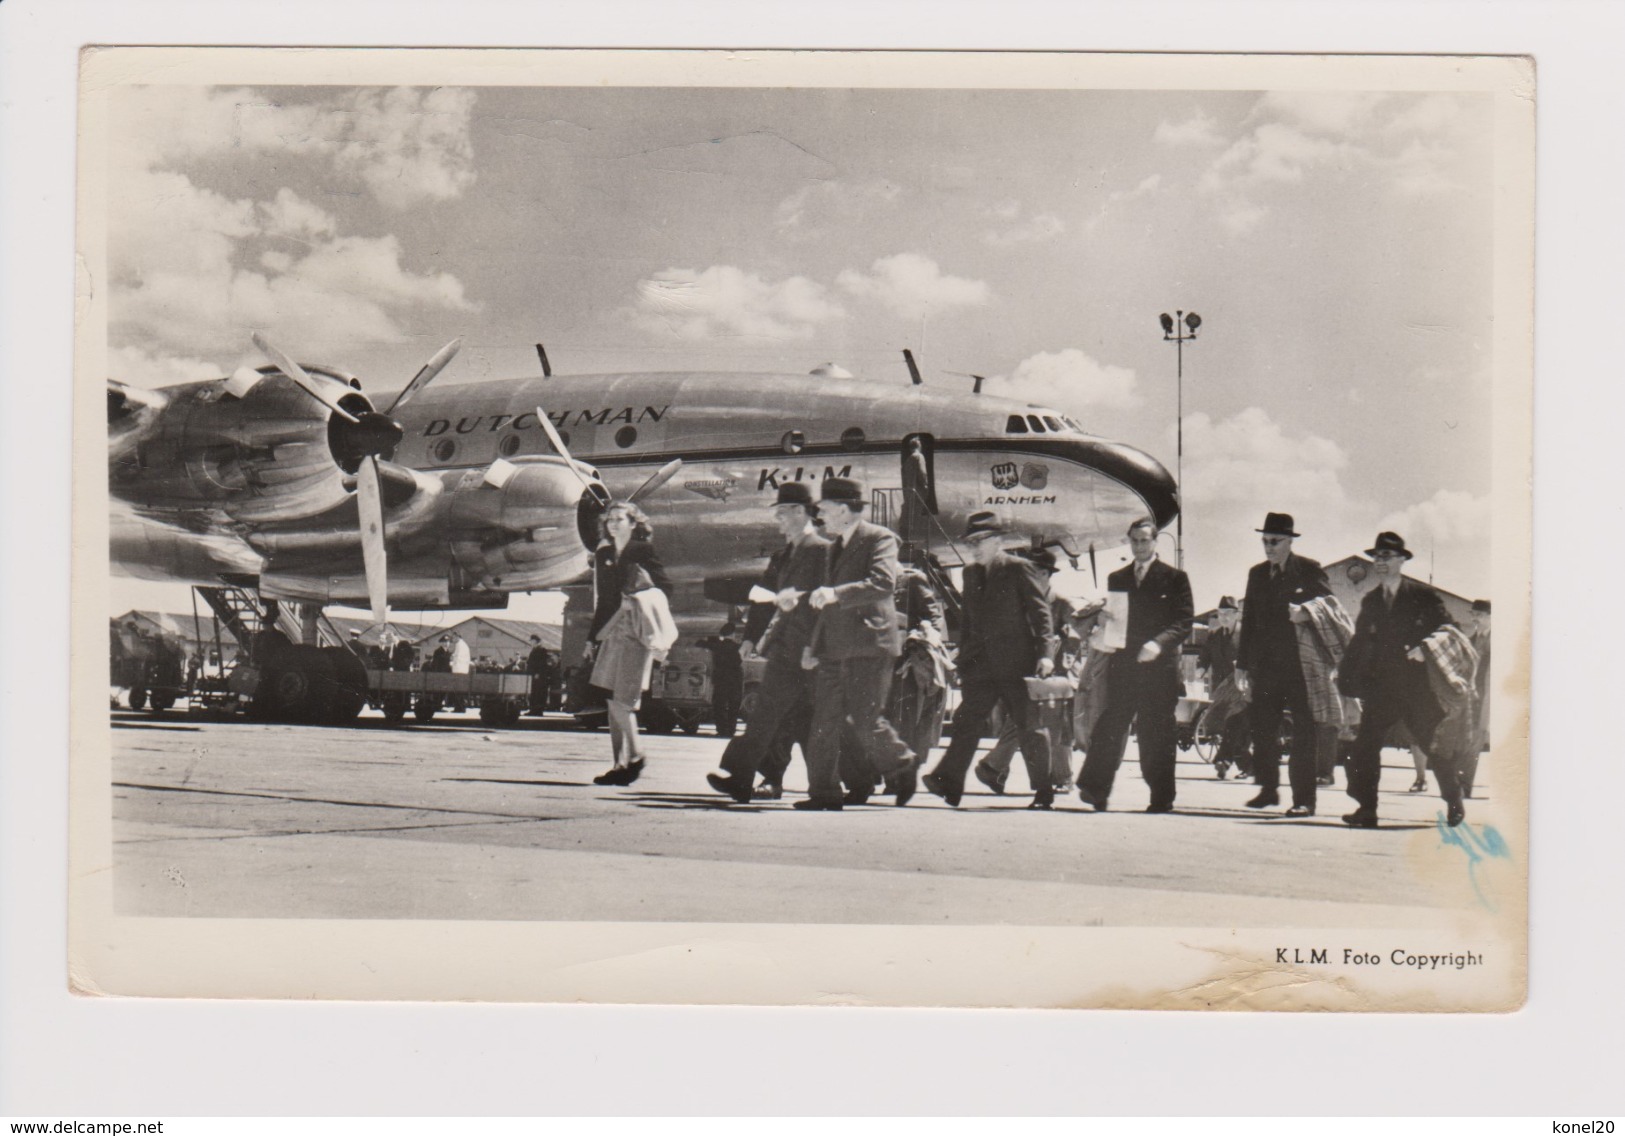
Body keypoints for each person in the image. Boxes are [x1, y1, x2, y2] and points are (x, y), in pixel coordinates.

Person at [923, 512, 1059, 808]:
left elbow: (1041, 615)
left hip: (1017, 664)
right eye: (971, 542)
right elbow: (970, 621)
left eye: (981, 541)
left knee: (1029, 728)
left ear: (998, 541)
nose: (974, 547)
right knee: (966, 721)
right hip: (980, 666)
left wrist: (1046, 656)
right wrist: (963, 659)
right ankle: (950, 782)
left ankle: (1044, 791)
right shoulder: (969, 574)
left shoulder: (1019, 569)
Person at [706, 483, 830, 803]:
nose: (777, 520)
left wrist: (812, 648)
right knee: (768, 714)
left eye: (782, 513)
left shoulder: (823, 551)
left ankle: (863, 776)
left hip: (810, 652)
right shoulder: (783, 555)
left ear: (801, 512)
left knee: (810, 723)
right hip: (786, 648)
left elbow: (825, 607)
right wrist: (749, 638)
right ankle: (741, 776)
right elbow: (763, 599)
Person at [799, 477, 918, 810]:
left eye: (822, 509)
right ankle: (823, 793)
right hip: (835, 647)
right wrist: (813, 645)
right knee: (823, 720)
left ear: (842, 509)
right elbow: (824, 603)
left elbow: (882, 583)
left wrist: (837, 593)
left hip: (869, 643)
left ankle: (901, 763)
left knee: (865, 720)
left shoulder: (879, 538)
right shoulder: (833, 546)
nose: (819, 515)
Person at [1336, 532, 1455, 828]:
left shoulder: (1421, 595)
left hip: (1417, 688)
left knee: (1432, 745)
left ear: (1402, 560)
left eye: (1386, 557)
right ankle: (1367, 809)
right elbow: (1359, 642)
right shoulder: (1372, 600)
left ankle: (1454, 799)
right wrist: (1345, 676)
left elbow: (1448, 628)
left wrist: (1425, 648)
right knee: (1365, 747)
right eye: (1376, 557)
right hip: (1383, 688)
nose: (1380, 562)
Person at [1075, 518, 1194, 813]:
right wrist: (1103, 620)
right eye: (1135, 541)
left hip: (1159, 669)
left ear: (1155, 542)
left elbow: (1184, 621)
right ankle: (1095, 789)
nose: (1139, 546)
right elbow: (1115, 616)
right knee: (1110, 725)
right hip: (1124, 665)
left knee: (1156, 732)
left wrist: (1158, 644)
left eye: (1145, 540)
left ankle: (1161, 797)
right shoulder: (1118, 578)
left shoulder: (1175, 578)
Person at [1234, 512, 1332, 816]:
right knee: (1262, 728)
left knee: (1304, 732)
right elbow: (1248, 620)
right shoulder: (1257, 574)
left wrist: (1305, 612)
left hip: (1300, 668)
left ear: (1290, 541)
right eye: (1265, 541)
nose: (1268, 547)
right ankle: (1268, 790)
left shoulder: (1309, 570)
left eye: (1274, 541)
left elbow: (1329, 607)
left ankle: (1304, 800)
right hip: (1265, 668)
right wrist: (1242, 665)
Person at [970, 545, 1072, 797]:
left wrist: (1061, 658)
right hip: (1024, 672)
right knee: (1025, 723)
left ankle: (996, 767)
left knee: (1052, 724)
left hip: (1053, 675)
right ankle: (998, 768)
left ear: (1047, 574)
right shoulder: (1021, 597)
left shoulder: (1061, 603)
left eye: (1035, 571)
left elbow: (1075, 636)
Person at [589, 564, 678, 785]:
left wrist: (658, 649)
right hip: (615, 656)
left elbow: (651, 636)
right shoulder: (636, 600)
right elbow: (602, 634)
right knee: (614, 707)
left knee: (621, 706)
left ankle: (635, 755)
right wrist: (622, 609)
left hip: (632, 656)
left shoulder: (642, 599)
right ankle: (620, 765)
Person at [887, 562, 952, 777]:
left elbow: (933, 618)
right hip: (880, 659)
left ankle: (901, 772)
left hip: (907, 659)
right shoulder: (871, 579)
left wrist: (914, 630)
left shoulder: (911, 579)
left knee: (904, 717)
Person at [588, 501, 672, 652]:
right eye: (610, 519)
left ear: (633, 524)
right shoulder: (602, 554)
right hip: (612, 628)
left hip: (638, 628)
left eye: (619, 519)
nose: (613, 523)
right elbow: (603, 599)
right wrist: (591, 639)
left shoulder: (644, 550)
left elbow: (665, 587)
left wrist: (638, 603)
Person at [1199, 596, 1252, 780]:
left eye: (1228, 613)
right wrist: (1200, 669)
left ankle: (1224, 760)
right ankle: (1246, 764)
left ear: (1236, 614)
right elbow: (1205, 656)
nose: (1224, 617)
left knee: (1234, 722)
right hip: (1221, 688)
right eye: (1221, 613)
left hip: (1242, 686)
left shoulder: (1246, 634)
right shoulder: (1214, 634)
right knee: (1215, 722)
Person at [1462, 599, 1492, 798]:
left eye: (1479, 615)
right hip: (1473, 698)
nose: (1475, 619)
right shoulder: (1471, 640)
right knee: (1470, 741)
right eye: (1473, 614)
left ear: (1491, 617)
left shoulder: (1497, 641)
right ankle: (1464, 788)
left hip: (1490, 698)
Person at [695, 623, 744, 737]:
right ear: (733, 635)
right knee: (734, 706)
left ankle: (721, 729)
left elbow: (699, 643)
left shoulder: (717, 646)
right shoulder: (738, 647)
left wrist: (709, 639)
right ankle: (731, 730)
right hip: (735, 680)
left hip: (721, 679)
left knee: (719, 705)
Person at [526, 635, 555, 715]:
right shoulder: (534, 650)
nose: (531, 642)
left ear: (535, 641)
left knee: (539, 693)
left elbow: (542, 663)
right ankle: (533, 710)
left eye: (531, 641)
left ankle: (537, 710)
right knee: (534, 693)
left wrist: (537, 673)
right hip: (534, 675)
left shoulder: (541, 650)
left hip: (539, 676)